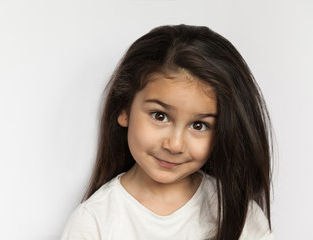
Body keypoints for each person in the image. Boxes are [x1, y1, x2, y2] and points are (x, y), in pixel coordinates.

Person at [60, 24, 273, 240]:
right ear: (124, 108)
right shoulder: (93, 222)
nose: (175, 145)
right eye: (160, 116)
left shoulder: (239, 214)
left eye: (199, 125)